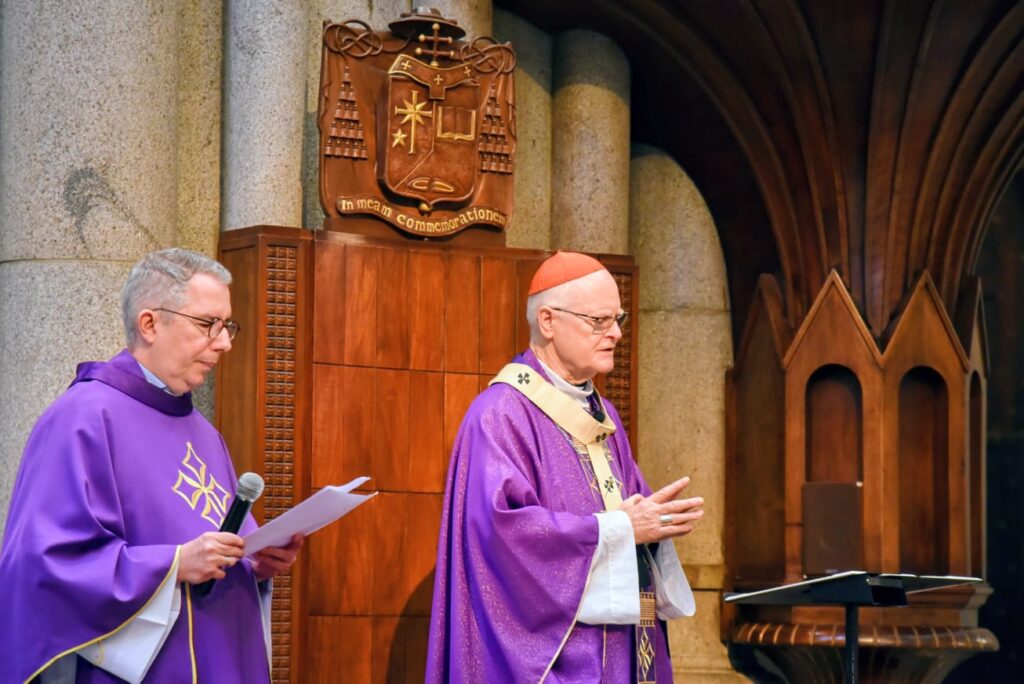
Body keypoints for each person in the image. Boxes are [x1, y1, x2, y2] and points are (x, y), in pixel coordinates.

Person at [0, 248, 302, 683]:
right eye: (207, 324)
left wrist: (258, 561)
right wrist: (173, 564)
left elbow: (225, 540)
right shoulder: (83, 417)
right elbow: (43, 565)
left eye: (227, 326)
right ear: (150, 324)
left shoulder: (204, 434)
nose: (224, 342)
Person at [427, 251, 705, 682]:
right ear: (549, 321)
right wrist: (619, 530)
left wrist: (654, 528)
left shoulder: (601, 416)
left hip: (617, 654)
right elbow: (504, 541)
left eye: (619, 319)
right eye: (599, 321)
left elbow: (629, 519)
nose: (614, 333)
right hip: (553, 664)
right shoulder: (500, 414)